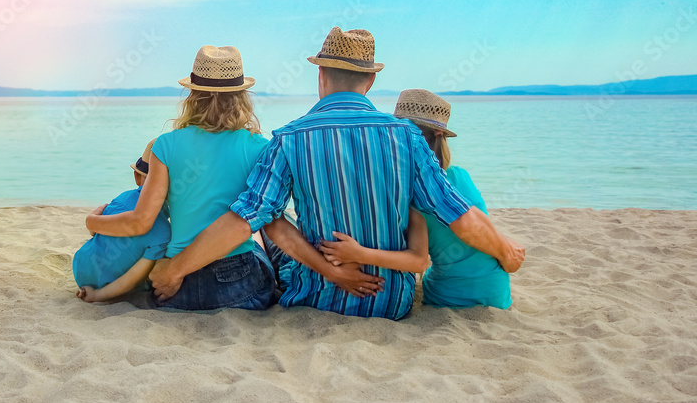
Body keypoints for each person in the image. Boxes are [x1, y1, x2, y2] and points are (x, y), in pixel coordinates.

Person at [150, 27, 525, 320]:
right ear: (371, 81)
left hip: (318, 297)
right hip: (390, 302)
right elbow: (459, 215)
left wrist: (174, 271)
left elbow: (246, 219)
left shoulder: (290, 138)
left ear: (321, 75)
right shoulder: (407, 136)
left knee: (274, 225)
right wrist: (505, 251)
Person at [84, 45, 278, 311]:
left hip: (178, 288)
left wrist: (93, 221)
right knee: (260, 241)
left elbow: (140, 222)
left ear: (192, 95)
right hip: (236, 284)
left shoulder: (165, 146)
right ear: (241, 96)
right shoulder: (259, 146)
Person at [321, 90, 512, 309]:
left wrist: (358, 254)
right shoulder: (460, 175)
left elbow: (418, 261)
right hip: (498, 289)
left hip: (452, 296)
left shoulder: (412, 190)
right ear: (440, 134)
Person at [74, 139, 171, 303]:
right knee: (150, 270)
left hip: (80, 267)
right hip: (107, 285)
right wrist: (97, 295)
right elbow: (132, 279)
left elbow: (96, 230)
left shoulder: (123, 197)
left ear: (137, 177)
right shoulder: (164, 232)